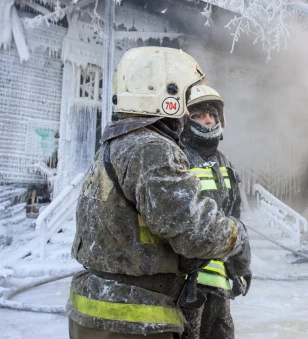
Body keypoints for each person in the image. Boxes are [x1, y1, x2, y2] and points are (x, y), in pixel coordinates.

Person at [66, 47, 250, 339]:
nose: (188, 113)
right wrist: (237, 236)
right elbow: (197, 232)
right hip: (132, 319)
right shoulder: (152, 149)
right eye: (185, 100)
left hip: (98, 312)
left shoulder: (117, 144)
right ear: (165, 94)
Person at [180, 84, 251, 339]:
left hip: (218, 282)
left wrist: (240, 268)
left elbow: (234, 219)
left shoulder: (225, 164)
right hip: (184, 284)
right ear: (186, 120)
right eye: (199, 115)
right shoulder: (177, 157)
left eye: (212, 115)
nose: (207, 120)